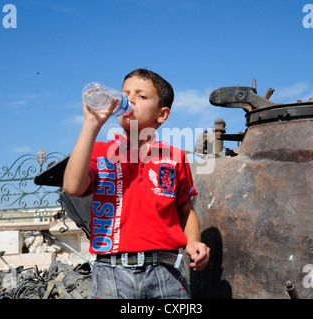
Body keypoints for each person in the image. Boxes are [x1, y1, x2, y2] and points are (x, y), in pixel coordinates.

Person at [63, 68, 210, 299]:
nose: (129, 99)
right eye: (125, 93)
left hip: (167, 271)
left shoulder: (175, 157)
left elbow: (185, 209)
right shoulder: (101, 152)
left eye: (141, 96)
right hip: (112, 272)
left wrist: (193, 241)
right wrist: (92, 123)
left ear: (161, 115)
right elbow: (72, 187)